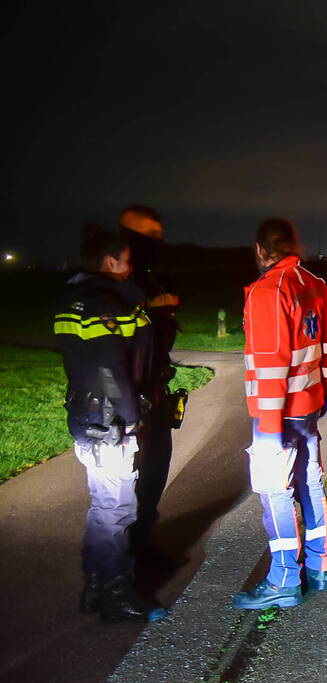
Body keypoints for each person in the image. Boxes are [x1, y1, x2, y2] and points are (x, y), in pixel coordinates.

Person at [54, 224, 166, 622]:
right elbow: (108, 366)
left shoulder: (73, 298)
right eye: (127, 262)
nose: (130, 268)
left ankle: (98, 586)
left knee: (103, 507)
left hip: (87, 417)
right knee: (116, 509)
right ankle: (115, 595)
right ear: (110, 261)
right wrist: (132, 418)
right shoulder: (106, 302)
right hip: (109, 422)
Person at [233, 218, 327, 610]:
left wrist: (269, 423)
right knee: (310, 485)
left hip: (277, 414)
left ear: (261, 249)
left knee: (274, 491)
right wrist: (322, 395)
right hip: (308, 407)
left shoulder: (268, 291)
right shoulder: (315, 284)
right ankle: (319, 566)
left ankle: (283, 579)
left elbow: (272, 365)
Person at [118, 205, 181, 568]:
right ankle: (123, 563)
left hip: (155, 391)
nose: (154, 242)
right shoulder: (116, 279)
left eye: (157, 235)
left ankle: (143, 545)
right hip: (129, 398)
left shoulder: (149, 275)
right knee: (129, 480)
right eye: (147, 236)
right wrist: (153, 304)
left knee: (155, 474)